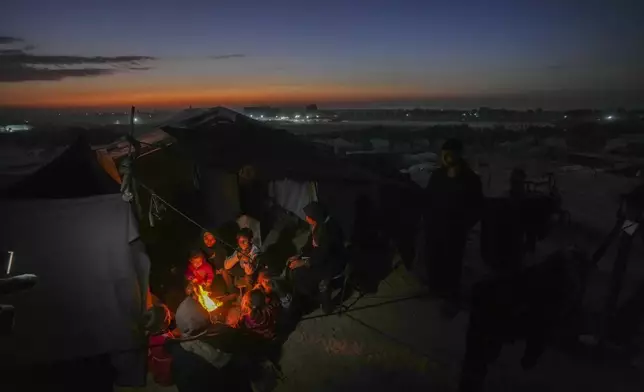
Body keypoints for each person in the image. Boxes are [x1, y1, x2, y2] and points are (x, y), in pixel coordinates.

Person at [424, 138, 483, 313]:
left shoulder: (470, 179)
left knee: (452, 262)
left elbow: (477, 206)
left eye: (450, 154)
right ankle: (435, 289)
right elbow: (428, 199)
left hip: (455, 229)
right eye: (444, 154)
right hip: (435, 227)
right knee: (434, 259)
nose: (447, 157)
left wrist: (464, 224)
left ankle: (452, 295)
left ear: (458, 154)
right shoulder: (437, 176)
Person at [288, 201, 347, 314]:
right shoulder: (318, 225)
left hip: (331, 262)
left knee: (305, 273)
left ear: (314, 217)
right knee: (297, 270)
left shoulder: (329, 231)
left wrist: (304, 262)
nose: (306, 218)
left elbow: (324, 254)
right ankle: (310, 295)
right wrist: (300, 255)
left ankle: (325, 301)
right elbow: (310, 244)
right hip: (320, 257)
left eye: (308, 216)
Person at [223, 228, 261, 292]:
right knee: (225, 271)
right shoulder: (240, 249)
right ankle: (232, 291)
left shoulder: (255, 252)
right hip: (242, 270)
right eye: (240, 242)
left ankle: (249, 296)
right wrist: (237, 256)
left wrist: (246, 260)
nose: (242, 244)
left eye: (244, 241)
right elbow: (226, 266)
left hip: (253, 274)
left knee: (248, 278)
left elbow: (249, 272)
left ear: (250, 240)